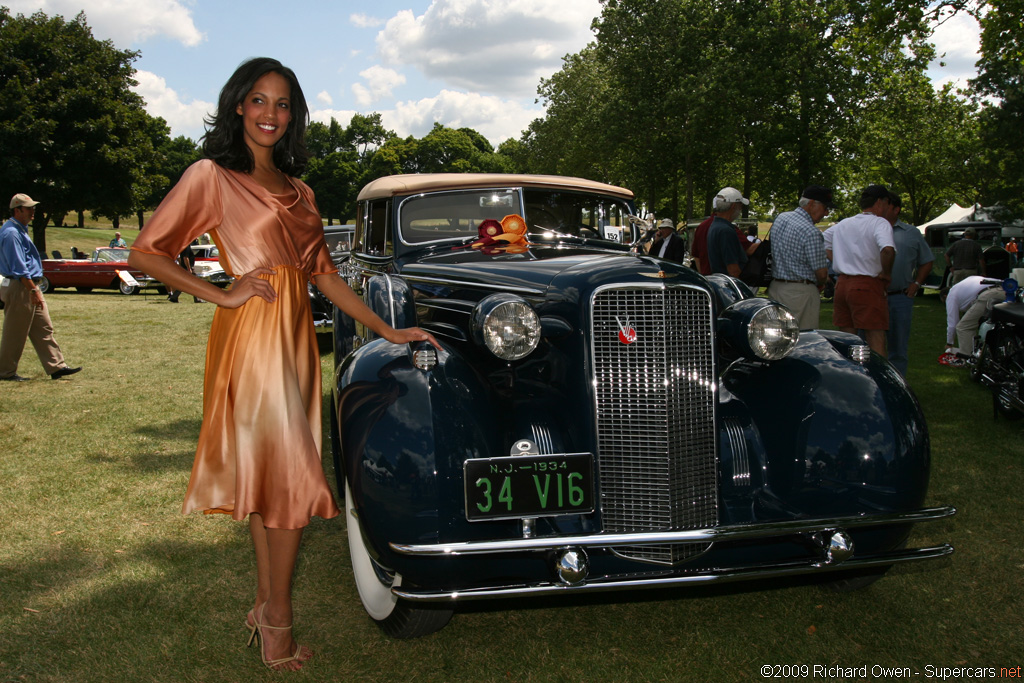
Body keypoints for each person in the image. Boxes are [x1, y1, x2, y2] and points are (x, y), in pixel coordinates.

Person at [128, 58, 440, 671]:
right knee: (292, 481)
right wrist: (222, 292)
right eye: (258, 101)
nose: (270, 114)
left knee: (275, 478)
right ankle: (277, 622)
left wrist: (385, 327)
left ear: (292, 114)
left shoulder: (301, 193)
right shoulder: (211, 176)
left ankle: (265, 603)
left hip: (295, 340)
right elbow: (146, 253)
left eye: (282, 103)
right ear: (238, 106)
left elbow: (323, 274)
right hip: (251, 337)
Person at [0, 194, 83, 382]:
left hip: (29, 286)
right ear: (17, 210)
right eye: (28, 208)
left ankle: (56, 367)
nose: (33, 211)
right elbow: (19, 267)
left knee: (44, 328)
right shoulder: (12, 233)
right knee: (15, 331)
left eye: (33, 208)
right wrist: (32, 290)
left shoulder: (20, 229)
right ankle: (5, 372)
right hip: (21, 286)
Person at [823, 184, 895, 356]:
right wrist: (886, 273)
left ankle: (848, 377)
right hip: (867, 284)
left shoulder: (844, 224)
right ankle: (879, 380)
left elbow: (824, 240)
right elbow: (887, 250)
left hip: (842, 285)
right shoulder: (880, 223)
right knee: (875, 336)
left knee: (846, 340)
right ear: (880, 202)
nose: (887, 208)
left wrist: (839, 260)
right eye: (887, 203)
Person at [766, 185, 834, 330]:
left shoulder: (781, 218)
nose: (826, 213)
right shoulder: (811, 232)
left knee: (777, 343)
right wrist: (823, 282)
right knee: (802, 341)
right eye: (825, 207)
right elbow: (821, 274)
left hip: (776, 288)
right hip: (800, 294)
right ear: (811, 204)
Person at [884, 193, 933, 376]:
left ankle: (897, 383)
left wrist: (917, 283)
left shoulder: (911, 233)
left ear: (896, 209)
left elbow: (927, 261)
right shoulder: (869, 229)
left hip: (900, 296)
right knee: (867, 344)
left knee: (898, 347)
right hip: (873, 296)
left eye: (885, 205)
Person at [939, 275, 1005, 366]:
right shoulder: (963, 287)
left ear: (945, 296)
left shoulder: (951, 295)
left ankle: (968, 359)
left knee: (963, 327)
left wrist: (949, 343)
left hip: (989, 294)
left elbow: (953, 323)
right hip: (1005, 288)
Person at [706, 187, 750, 277]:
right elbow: (733, 269)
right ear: (734, 206)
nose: (740, 210)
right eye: (740, 206)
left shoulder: (715, 226)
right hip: (729, 283)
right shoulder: (726, 231)